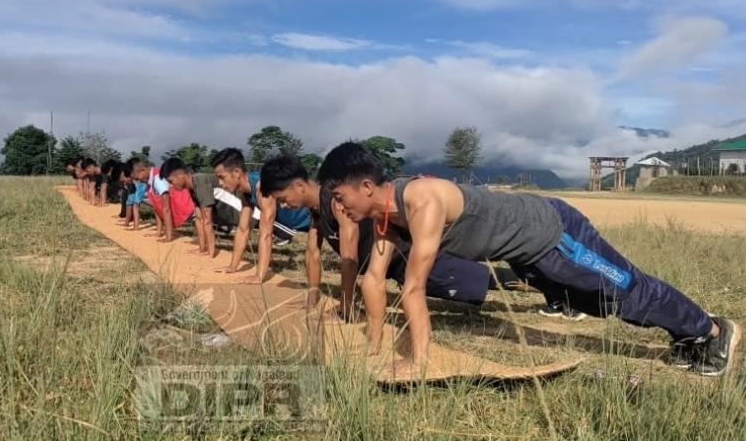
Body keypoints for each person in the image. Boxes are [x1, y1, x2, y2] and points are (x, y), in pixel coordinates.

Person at [318, 141, 739, 377]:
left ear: (367, 186)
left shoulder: (421, 199)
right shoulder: (388, 218)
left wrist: (416, 362)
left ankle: (711, 329)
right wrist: (372, 349)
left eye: (340, 198)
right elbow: (374, 280)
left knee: (627, 290)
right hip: (528, 257)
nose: (338, 208)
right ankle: (686, 335)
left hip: (554, 234)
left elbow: (413, 287)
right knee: (599, 305)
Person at [259, 155, 540, 322]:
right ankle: (547, 286)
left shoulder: (336, 203)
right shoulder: (316, 210)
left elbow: (349, 259)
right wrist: (313, 293)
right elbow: (312, 253)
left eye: (283, 199)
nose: (284, 206)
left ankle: (550, 291)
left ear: (298, 186)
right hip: (396, 269)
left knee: (485, 278)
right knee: (474, 284)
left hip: (410, 255)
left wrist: (346, 308)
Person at [211, 148, 311, 284]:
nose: (220, 183)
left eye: (222, 177)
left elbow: (266, 235)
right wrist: (232, 267)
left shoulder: (262, 189)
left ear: (236, 173)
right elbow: (242, 229)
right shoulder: (244, 191)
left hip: (312, 218)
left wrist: (259, 276)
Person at [161, 157, 219, 257]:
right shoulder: (192, 188)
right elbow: (199, 218)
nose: (170, 186)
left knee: (205, 219)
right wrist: (201, 249)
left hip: (240, 210)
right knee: (199, 218)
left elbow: (207, 220)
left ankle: (210, 251)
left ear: (180, 174)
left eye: (171, 181)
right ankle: (202, 248)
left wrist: (210, 254)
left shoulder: (200, 181)